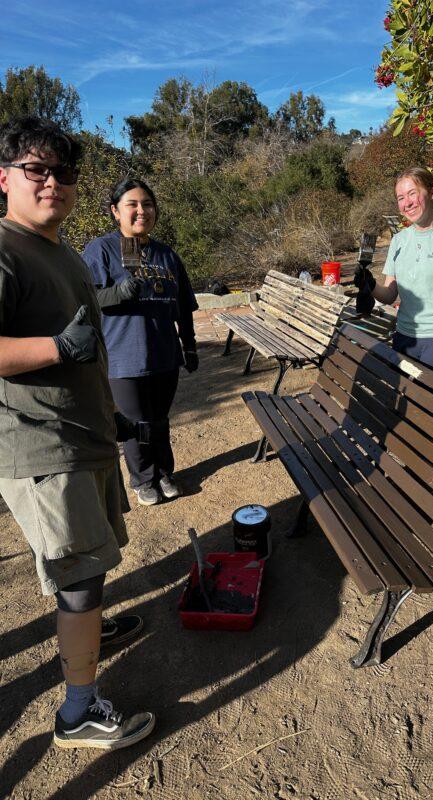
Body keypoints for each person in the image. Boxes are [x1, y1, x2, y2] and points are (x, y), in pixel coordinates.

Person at [0, 116, 155, 749]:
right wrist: (57, 348)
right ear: (3, 178)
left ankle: (84, 637)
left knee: (88, 564)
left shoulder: (58, 249)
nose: (52, 183)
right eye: (36, 170)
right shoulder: (5, 248)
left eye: (63, 172)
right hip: (41, 444)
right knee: (78, 575)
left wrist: (107, 414)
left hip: (80, 434)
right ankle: (78, 711)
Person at [82, 179, 199, 506]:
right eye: (132, 204)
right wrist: (117, 293)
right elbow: (82, 298)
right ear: (115, 211)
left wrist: (188, 344)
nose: (141, 210)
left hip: (164, 354)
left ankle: (164, 472)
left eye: (147, 204)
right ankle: (143, 478)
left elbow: (184, 304)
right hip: (123, 359)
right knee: (136, 424)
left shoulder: (166, 254)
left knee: (160, 419)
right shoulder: (102, 250)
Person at [355, 166, 433, 378]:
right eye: (401, 197)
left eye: (413, 193)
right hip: (404, 337)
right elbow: (390, 294)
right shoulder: (399, 241)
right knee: (406, 405)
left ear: (431, 193)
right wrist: (370, 284)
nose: (407, 203)